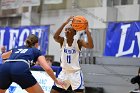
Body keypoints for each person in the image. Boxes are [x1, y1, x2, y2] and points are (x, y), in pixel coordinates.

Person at [50, 16, 94, 93]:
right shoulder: (62, 41)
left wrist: (87, 32)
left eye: (69, 30)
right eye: (66, 29)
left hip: (75, 73)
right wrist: (64, 24)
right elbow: (55, 37)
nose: (66, 31)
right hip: (64, 73)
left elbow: (90, 46)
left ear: (74, 32)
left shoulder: (78, 42)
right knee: (53, 91)